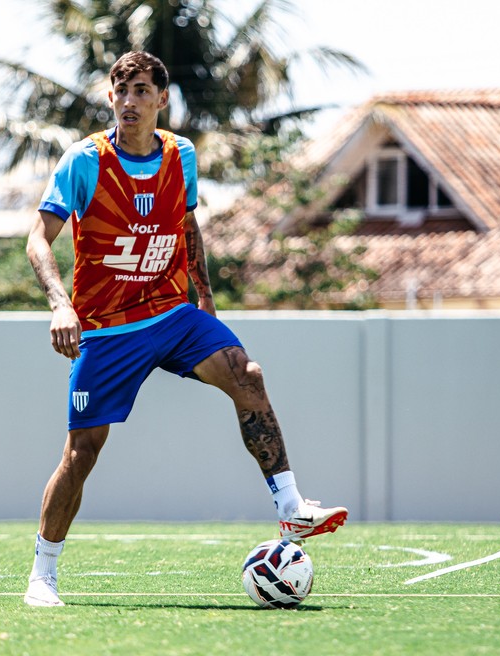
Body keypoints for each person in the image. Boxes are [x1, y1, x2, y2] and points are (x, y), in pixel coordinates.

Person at [23, 51, 347, 607]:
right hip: (106, 330)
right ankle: (42, 574)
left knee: (247, 374)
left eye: (142, 90)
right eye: (120, 90)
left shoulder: (181, 155)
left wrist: (208, 300)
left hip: (173, 314)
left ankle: (292, 508)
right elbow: (37, 239)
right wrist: (60, 304)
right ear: (110, 99)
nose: (130, 100)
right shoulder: (84, 162)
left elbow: (186, 223)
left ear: (161, 99)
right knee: (81, 454)